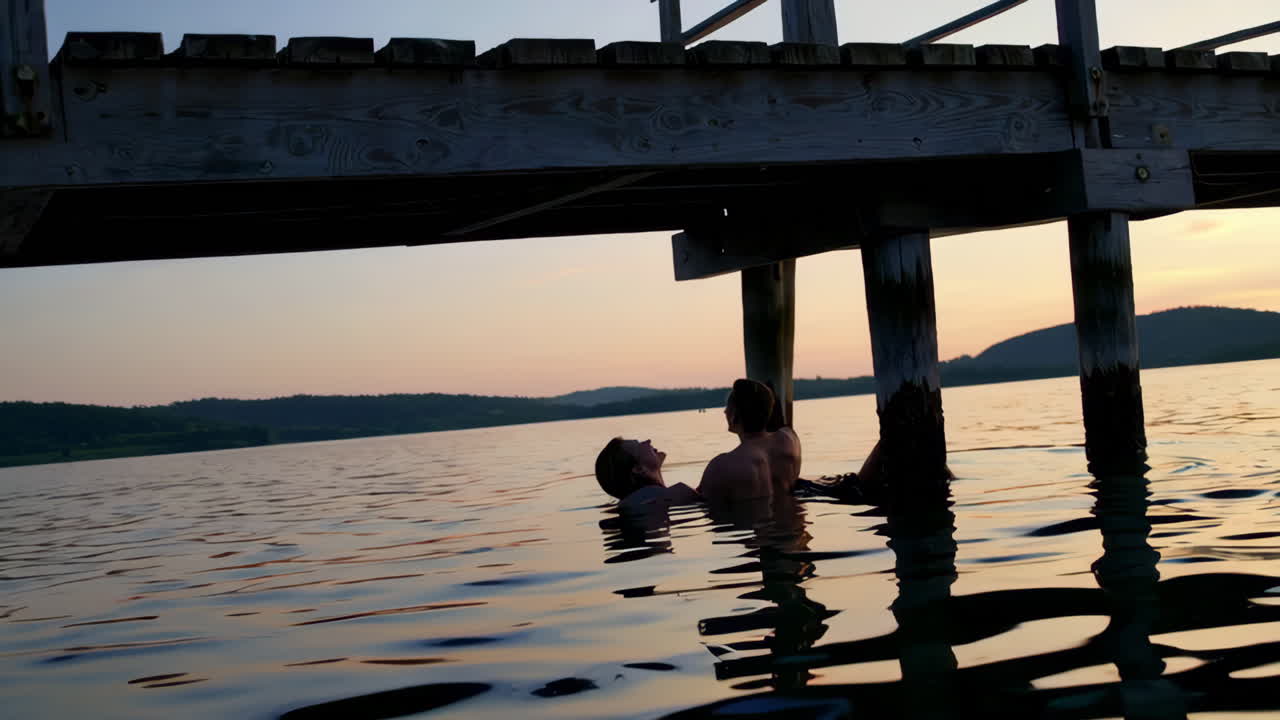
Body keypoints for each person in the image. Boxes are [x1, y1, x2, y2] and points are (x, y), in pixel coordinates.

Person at [698, 379, 802, 505]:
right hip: (792, 519)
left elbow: (701, 503)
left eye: (728, 407)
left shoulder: (721, 466)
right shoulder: (790, 439)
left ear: (734, 415)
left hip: (751, 521)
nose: (724, 411)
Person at [594, 437, 700, 512]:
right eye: (639, 445)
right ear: (638, 469)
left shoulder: (636, 502)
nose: (648, 441)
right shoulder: (678, 493)